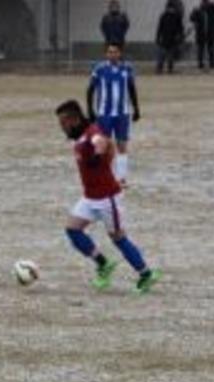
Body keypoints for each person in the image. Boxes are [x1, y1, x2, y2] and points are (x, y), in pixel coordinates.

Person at [55, 100, 161, 294]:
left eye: (63, 123)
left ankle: (146, 274)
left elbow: (101, 141)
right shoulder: (79, 135)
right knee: (72, 229)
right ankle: (103, 264)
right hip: (90, 197)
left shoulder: (91, 132)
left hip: (107, 198)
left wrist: (98, 153)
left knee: (118, 238)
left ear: (74, 119)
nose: (62, 128)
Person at [86, 42, 140, 187]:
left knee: (122, 145)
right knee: (104, 146)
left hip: (123, 113)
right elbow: (90, 90)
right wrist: (90, 110)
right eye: (109, 52)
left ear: (120, 53)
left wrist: (136, 109)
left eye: (115, 52)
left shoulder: (127, 68)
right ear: (106, 54)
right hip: (104, 114)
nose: (112, 54)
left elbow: (132, 89)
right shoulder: (100, 69)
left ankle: (121, 178)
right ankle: (104, 177)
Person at [190, 0, 214, 71]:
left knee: (211, 50)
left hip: (210, 34)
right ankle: (201, 64)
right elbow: (192, 19)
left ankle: (212, 65)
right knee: (201, 51)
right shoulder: (198, 11)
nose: (205, 4)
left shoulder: (212, 9)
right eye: (204, 3)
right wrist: (193, 11)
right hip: (201, 34)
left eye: (206, 3)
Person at [156, 0, 185, 74]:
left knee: (166, 55)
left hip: (169, 38)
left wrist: (158, 37)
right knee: (165, 55)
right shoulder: (166, 16)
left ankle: (165, 68)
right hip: (169, 38)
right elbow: (160, 28)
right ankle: (165, 68)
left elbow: (180, 28)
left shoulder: (167, 16)